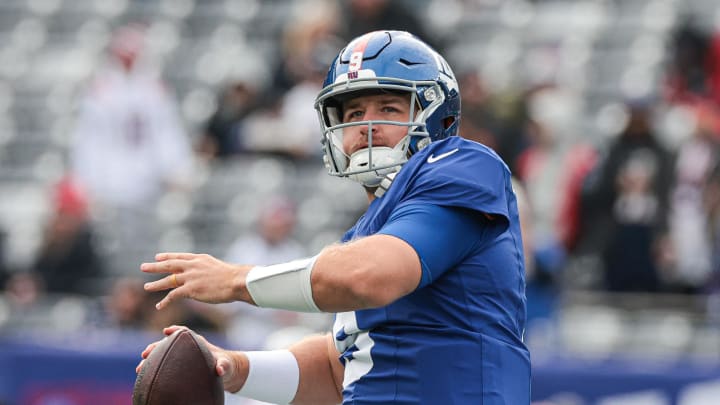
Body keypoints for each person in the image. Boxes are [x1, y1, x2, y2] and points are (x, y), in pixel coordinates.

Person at [138, 31, 531, 404]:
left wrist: (238, 280)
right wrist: (236, 367)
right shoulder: (367, 233)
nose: (366, 125)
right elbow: (339, 368)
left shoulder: (462, 166)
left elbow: (370, 276)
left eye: (389, 108)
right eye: (354, 112)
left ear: (437, 116)